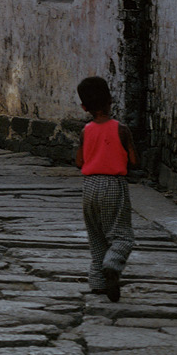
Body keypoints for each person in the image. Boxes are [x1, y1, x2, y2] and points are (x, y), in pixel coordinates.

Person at [74, 76, 139, 302]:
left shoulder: (85, 131)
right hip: (113, 184)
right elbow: (133, 160)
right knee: (121, 235)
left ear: (84, 107)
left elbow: (80, 162)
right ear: (111, 100)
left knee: (96, 237)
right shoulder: (121, 129)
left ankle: (98, 282)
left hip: (89, 186)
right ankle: (112, 265)